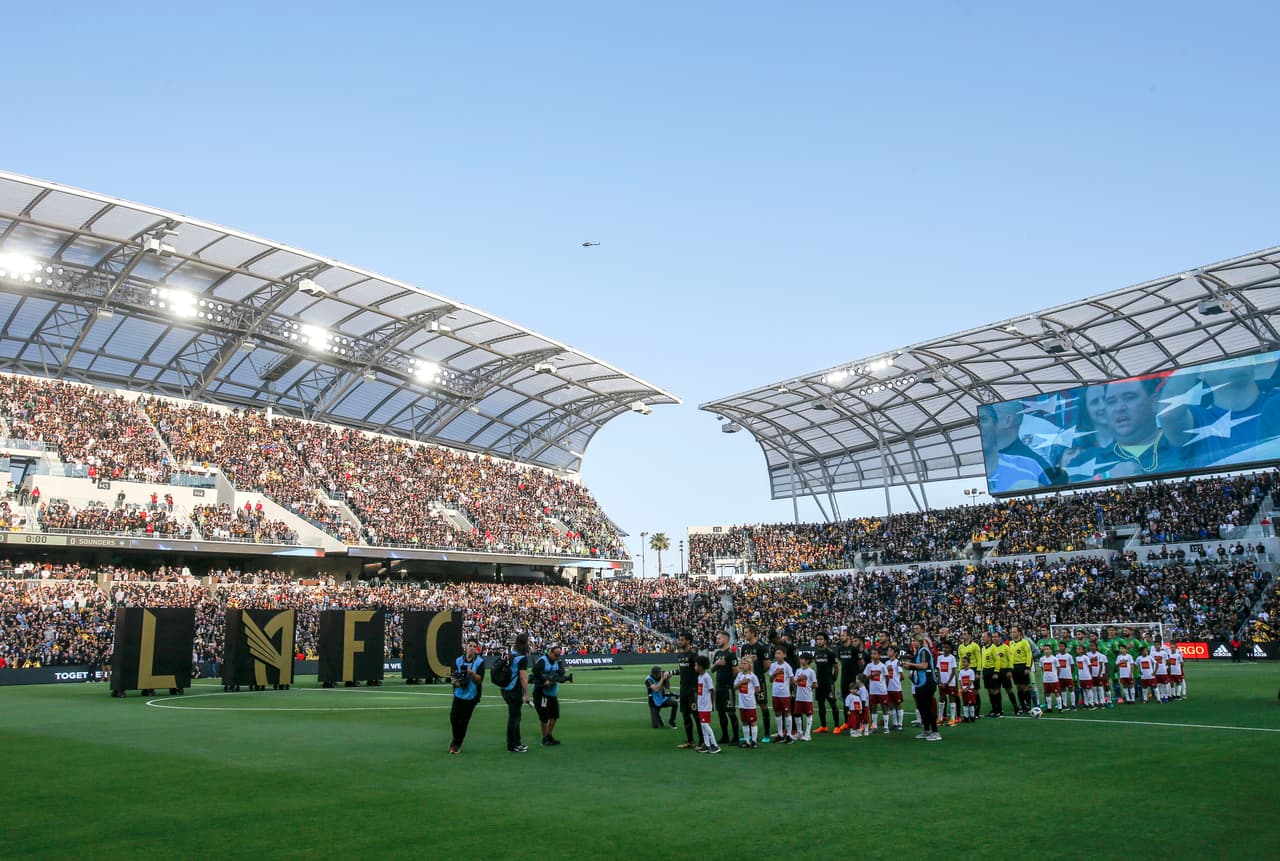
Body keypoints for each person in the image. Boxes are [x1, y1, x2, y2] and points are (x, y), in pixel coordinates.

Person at [448, 639, 486, 755]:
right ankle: (455, 739)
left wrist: (471, 673)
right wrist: (455, 682)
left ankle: (457, 744)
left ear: (476, 649)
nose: (472, 648)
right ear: (466, 647)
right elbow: (453, 675)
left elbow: (480, 680)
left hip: (471, 696)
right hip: (459, 693)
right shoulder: (458, 660)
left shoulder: (480, 662)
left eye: (474, 646)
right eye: (470, 645)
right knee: (454, 718)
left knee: (464, 721)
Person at [902, 633, 940, 741]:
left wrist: (911, 665)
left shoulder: (924, 651)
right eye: (912, 641)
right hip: (920, 682)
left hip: (927, 682)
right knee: (922, 707)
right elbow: (917, 666)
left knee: (927, 707)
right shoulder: (918, 651)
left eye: (914, 641)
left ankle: (935, 731)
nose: (912, 643)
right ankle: (926, 730)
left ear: (919, 641)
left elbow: (924, 665)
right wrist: (908, 666)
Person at [740, 627, 774, 738]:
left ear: (753, 633)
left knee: (763, 705)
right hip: (746, 681)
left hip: (758, 680)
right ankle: (749, 734)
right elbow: (742, 663)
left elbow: (767, 665)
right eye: (744, 632)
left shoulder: (761, 646)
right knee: (748, 706)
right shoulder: (744, 647)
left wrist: (757, 673)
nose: (745, 634)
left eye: (746, 632)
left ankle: (767, 734)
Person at [532, 643, 566, 746]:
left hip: (552, 692)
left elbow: (561, 673)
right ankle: (545, 738)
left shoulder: (557, 661)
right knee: (544, 716)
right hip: (541, 692)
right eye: (556, 655)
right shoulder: (543, 661)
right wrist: (544, 680)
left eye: (559, 655)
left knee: (554, 715)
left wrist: (560, 673)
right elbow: (535, 672)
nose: (557, 657)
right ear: (550, 653)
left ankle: (549, 735)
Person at [711, 631, 739, 746]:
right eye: (717, 638)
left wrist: (729, 681)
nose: (717, 640)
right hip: (719, 687)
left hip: (728, 688)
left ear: (726, 640)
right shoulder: (717, 653)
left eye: (719, 638)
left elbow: (736, 671)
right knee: (721, 712)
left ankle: (736, 737)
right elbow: (712, 669)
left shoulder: (731, 654)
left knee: (731, 712)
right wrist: (717, 664)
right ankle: (725, 736)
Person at [674, 632, 701, 750]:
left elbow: (699, 670)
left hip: (692, 689)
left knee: (696, 715)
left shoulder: (693, 655)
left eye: (682, 640)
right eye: (679, 640)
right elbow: (682, 670)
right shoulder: (680, 655)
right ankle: (690, 741)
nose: (680, 642)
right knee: (685, 715)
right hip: (683, 689)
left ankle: (702, 741)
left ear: (688, 641)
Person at [811, 632, 839, 734]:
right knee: (820, 704)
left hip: (828, 682)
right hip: (819, 682)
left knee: (832, 703)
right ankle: (823, 726)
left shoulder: (830, 653)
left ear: (825, 641)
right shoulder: (816, 653)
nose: (819, 641)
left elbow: (836, 668)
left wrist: (833, 680)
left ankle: (837, 726)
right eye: (817, 639)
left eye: (821, 639)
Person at [834, 629, 862, 731]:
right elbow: (841, 661)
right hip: (844, 678)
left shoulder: (855, 649)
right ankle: (847, 722)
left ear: (849, 637)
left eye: (843, 635)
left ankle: (860, 722)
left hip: (853, 678)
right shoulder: (840, 649)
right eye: (841, 635)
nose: (841, 637)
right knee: (846, 700)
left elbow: (861, 663)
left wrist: (858, 675)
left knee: (857, 700)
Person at [693, 656, 721, 754]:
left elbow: (712, 690)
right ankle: (706, 744)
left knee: (705, 724)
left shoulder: (706, 677)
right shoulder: (700, 677)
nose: (695, 667)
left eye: (696, 665)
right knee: (703, 725)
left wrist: (712, 704)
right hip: (701, 705)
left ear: (701, 666)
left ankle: (715, 745)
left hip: (706, 705)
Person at [768, 647, 795, 743]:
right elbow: (770, 680)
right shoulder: (773, 666)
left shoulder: (787, 667)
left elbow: (792, 681)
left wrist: (789, 690)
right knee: (777, 713)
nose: (777, 655)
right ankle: (780, 734)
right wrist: (775, 673)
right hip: (775, 693)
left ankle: (789, 735)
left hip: (785, 694)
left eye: (779, 653)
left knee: (787, 713)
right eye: (776, 653)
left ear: (784, 655)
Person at [734, 654, 761, 749]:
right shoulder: (740, 675)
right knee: (744, 722)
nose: (743, 665)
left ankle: (754, 741)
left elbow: (758, 689)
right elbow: (734, 687)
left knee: (752, 722)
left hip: (750, 703)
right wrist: (742, 683)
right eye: (742, 663)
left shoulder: (753, 676)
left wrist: (751, 692)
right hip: (742, 704)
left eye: (745, 663)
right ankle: (747, 741)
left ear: (750, 665)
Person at [1007, 626, 1034, 714]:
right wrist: (1010, 669)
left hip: (1023, 666)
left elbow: (1029, 654)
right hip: (1014, 668)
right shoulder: (1011, 643)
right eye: (1012, 632)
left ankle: (1028, 705)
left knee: (1025, 687)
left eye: (1014, 632)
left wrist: (1027, 667)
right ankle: (1022, 706)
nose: (1012, 633)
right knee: (1018, 687)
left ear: (1019, 633)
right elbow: (1011, 657)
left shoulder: (1024, 642)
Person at [864, 649, 889, 734]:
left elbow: (887, 677)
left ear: (879, 655)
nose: (873, 655)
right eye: (872, 654)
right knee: (873, 708)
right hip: (873, 691)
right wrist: (872, 675)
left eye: (875, 654)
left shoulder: (882, 666)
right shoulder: (869, 666)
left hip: (882, 691)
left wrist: (885, 688)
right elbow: (865, 677)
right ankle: (874, 726)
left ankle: (886, 727)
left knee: (884, 708)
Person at [793, 653, 817, 741]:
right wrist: (799, 679)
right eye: (800, 658)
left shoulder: (811, 672)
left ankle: (807, 734)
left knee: (808, 714)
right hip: (798, 697)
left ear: (807, 661)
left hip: (807, 697)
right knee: (797, 714)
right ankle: (799, 733)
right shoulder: (798, 670)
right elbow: (794, 682)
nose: (800, 660)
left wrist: (809, 685)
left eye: (802, 659)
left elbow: (815, 684)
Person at [936, 641, 960, 727]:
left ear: (950, 649)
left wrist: (948, 682)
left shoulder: (952, 658)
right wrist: (940, 681)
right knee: (941, 698)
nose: (944, 649)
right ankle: (940, 718)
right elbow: (938, 670)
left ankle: (953, 718)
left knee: (952, 698)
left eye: (946, 647)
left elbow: (953, 671)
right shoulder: (939, 657)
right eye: (943, 647)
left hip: (950, 683)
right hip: (942, 682)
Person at [979, 633, 1003, 717]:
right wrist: (982, 671)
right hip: (986, 671)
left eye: (984, 637)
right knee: (989, 691)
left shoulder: (994, 647)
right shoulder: (983, 648)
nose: (982, 638)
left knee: (995, 690)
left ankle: (999, 710)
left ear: (989, 638)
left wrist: (996, 672)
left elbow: (997, 660)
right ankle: (993, 709)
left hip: (993, 670)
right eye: (982, 637)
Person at [885, 649, 905, 732]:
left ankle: (900, 724)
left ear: (895, 653)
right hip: (888, 688)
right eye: (888, 651)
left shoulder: (898, 662)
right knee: (891, 705)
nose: (888, 652)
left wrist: (896, 682)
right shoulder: (886, 663)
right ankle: (895, 723)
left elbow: (902, 676)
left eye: (890, 651)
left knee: (898, 705)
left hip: (896, 688)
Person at [1040, 646, 1062, 713]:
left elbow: (1058, 668)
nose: (1046, 651)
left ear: (1051, 650)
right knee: (1047, 693)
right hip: (1046, 679)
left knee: (1056, 693)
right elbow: (1042, 668)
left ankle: (1060, 708)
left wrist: (1056, 676)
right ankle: (1049, 708)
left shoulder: (1054, 659)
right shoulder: (1042, 659)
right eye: (1045, 649)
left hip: (1053, 679)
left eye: (1048, 649)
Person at [958, 656, 978, 723]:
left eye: (965, 662)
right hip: (964, 690)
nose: (963, 663)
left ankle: (972, 717)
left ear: (969, 663)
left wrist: (967, 688)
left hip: (969, 690)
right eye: (963, 662)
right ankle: (966, 717)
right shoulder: (961, 671)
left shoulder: (971, 671)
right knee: (965, 703)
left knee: (971, 703)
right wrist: (961, 688)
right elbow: (960, 681)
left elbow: (971, 681)